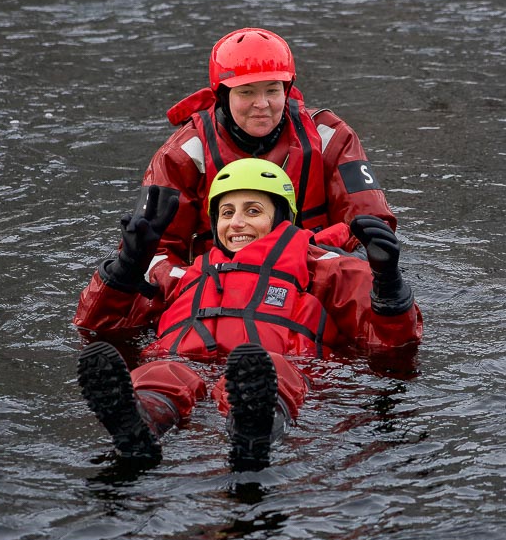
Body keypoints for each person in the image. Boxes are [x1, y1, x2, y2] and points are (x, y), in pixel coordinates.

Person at [74, 158, 422, 471]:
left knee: (271, 369)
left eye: (253, 211)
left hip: (284, 367)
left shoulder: (323, 267)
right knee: (160, 372)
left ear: (281, 217)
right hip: (188, 362)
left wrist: (389, 281)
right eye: (227, 213)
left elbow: (392, 343)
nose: (237, 223)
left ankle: (255, 429)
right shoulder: (186, 273)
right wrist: (126, 266)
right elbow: (97, 324)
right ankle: (140, 422)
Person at [131, 27, 398, 300]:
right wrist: (197, 285)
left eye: (272, 90)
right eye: (247, 92)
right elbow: (153, 251)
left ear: (287, 90)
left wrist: (341, 267)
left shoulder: (330, 136)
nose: (262, 104)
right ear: (223, 96)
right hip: (215, 286)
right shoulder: (183, 153)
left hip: (311, 277)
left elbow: (372, 224)